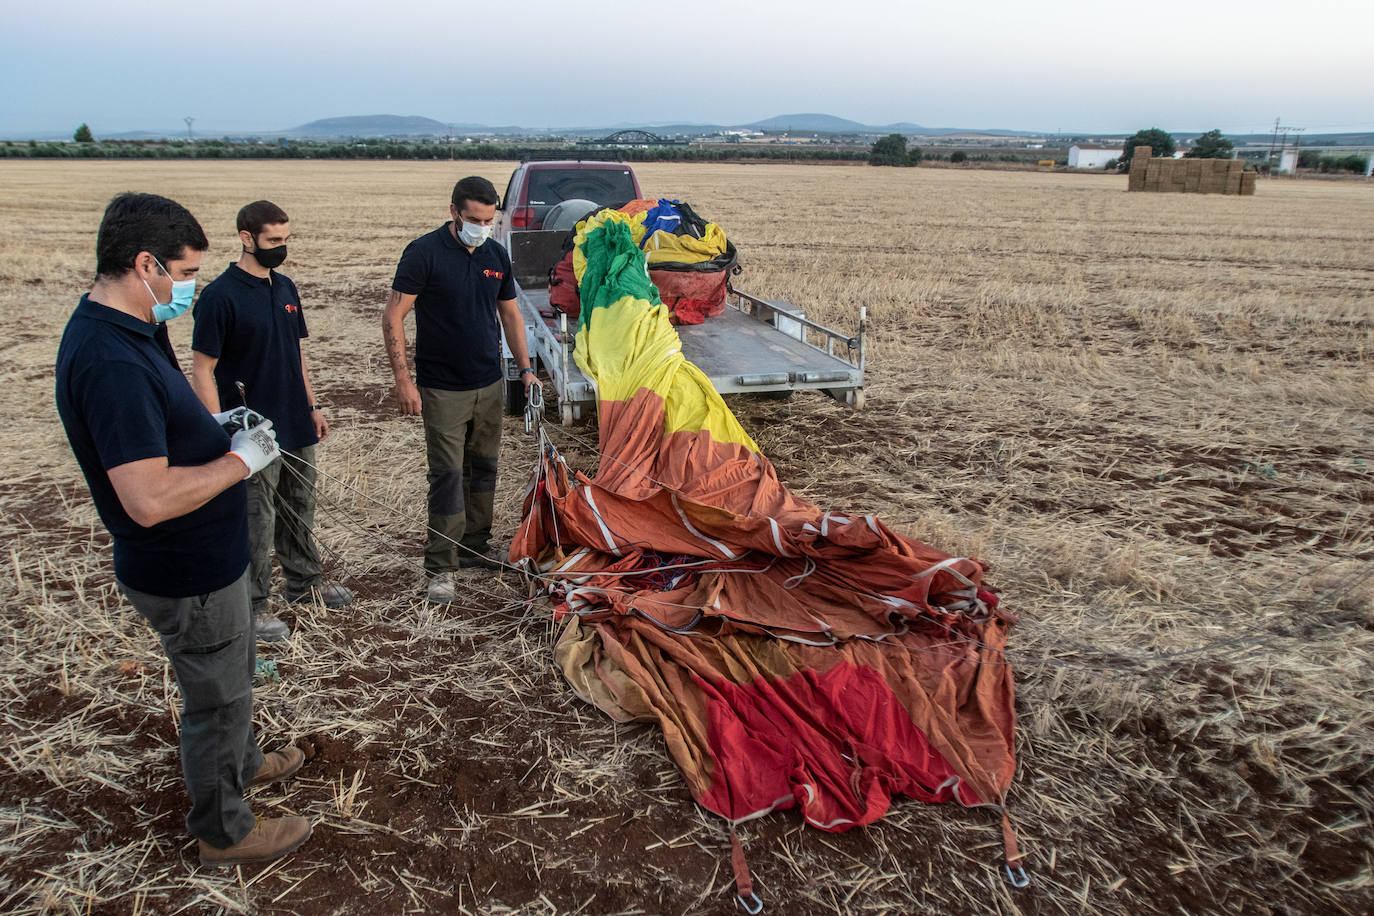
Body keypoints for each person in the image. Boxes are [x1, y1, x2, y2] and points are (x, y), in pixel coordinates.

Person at [54, 192, 312, 866]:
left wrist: (214, 428)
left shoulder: (131, 328)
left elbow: (160, 428)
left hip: (206, 558)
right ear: (145, 265)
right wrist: (237, 460)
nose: (188, 289)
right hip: (185, 568)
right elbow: (146, 498)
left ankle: (243, 763)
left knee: (232, 677)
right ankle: (224, 830)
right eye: (184, 273)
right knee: (218, 699)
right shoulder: (110, 361)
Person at [191, 200, 354, 642]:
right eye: (273, 241)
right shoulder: (219, 296)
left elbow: (296, 353)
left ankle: (306, 584)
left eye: (286, 240)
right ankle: (253, 605)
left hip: (295, 420)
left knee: (300, 506)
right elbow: (202, 367)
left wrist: (313, 406)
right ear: (247, 238)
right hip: (251, 432)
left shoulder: (285, 288)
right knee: (255, 519)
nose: (281, 248)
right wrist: (216, 426)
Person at [382, 176, 540, 604]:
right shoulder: (423, 253)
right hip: (442, 388)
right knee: (448, 475)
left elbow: (509, 315)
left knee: (484, 467)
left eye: (489, 220)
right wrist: (403, 381)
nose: (482, 227)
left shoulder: (494, 255)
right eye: (474, 219)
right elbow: (394, 316)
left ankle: (474, 547)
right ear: (454, 211)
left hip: (488, 382)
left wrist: (525, 371)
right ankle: (441, 565)